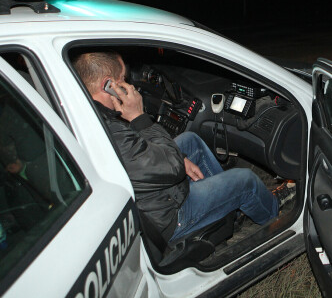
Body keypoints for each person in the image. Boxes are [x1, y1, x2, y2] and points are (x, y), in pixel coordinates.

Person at [73, 51, 294, 243]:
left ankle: (226, 211)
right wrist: (139, 117)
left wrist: (176, 155)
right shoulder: (111, 129)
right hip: (167, 217)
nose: (130, 86)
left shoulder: (88, 113)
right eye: (123, 80)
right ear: (108, 85)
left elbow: (141, 154)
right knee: (245, 181)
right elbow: (170, 167)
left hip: (149, 194)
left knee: (190, 142)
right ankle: (273, 213)